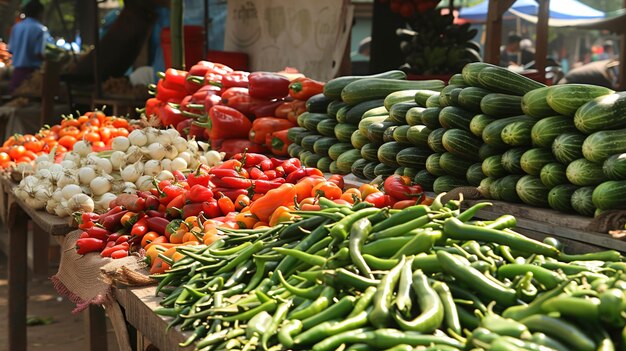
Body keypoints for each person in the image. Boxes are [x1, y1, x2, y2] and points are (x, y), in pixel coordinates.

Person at [7, 0, 50, 93]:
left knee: (14, 102)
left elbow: (10, 50)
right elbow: (39, 53)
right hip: (32, 75)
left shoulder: (16, 27)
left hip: (16, 74)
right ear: (39, 13)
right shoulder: (40, 29)